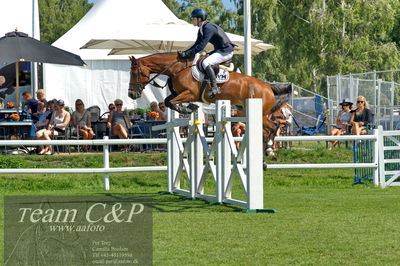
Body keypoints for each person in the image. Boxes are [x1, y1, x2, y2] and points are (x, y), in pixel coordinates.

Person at [177, 8, 236, 98]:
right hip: (220, 50)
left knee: (206, 62)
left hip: (226, 51)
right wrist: (185, 53)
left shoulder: (208, 28)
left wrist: (187, 54)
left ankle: (215, 87)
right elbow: (196, 44)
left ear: (199, 19)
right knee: (201, 59)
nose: (192, 20)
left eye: (193, 18)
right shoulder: (202, 29)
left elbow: (201, 47)